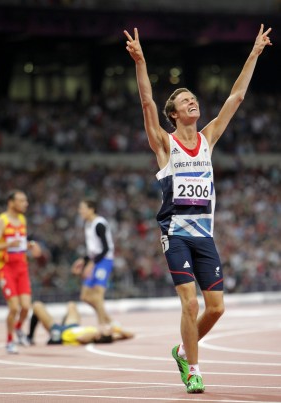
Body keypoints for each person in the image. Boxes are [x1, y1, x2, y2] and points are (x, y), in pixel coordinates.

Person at [124, 25, 272, 393]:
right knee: (189, 305)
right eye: (185, 101)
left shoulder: (207, 139)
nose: (193, 102)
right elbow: (145, 102)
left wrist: (254, 53)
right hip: (176, 234)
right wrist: (141, 62)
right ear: (172, 113)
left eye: (194, 99)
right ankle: (194, 369)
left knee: (217, 309)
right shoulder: (164, 143)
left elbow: (235, 97)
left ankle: (181, 349)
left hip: (205, 235)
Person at [0, 189, 42, 354]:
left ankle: (18, 328)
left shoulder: (22, 219)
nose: (25, 203)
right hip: (6, 269)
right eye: (21, 200)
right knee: (14, 308)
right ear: (11, 202)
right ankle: (9, 341)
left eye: (25, 200)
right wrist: (7, 245)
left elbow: (20, 243)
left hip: (22, 268)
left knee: (26, 307)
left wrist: (30, 245)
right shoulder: (2, 220)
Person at [71, 198, 116, 334]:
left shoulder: (99, 224)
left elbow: (106, 248)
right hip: (95, 259)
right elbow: (94, 249)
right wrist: (83, 260)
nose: (80, 211)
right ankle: (108, 319)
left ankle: (102, 325)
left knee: (97, 294)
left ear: (91, 209)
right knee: (85, 296)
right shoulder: (88, 224)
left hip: (104, 260)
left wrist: (91, 264)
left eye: (82, 208)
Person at [27, 300, 134, 345]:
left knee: (37, 305)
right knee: (72, 305)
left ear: (99, 336)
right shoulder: (108, 335)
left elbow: (80, 339)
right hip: (73, 326)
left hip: (61, 333)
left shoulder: (94, 336)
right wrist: (116, 329)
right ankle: (64, 322)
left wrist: (96, 334)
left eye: (106, 331)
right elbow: (131, 335)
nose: (106, 329)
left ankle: (30, 337)